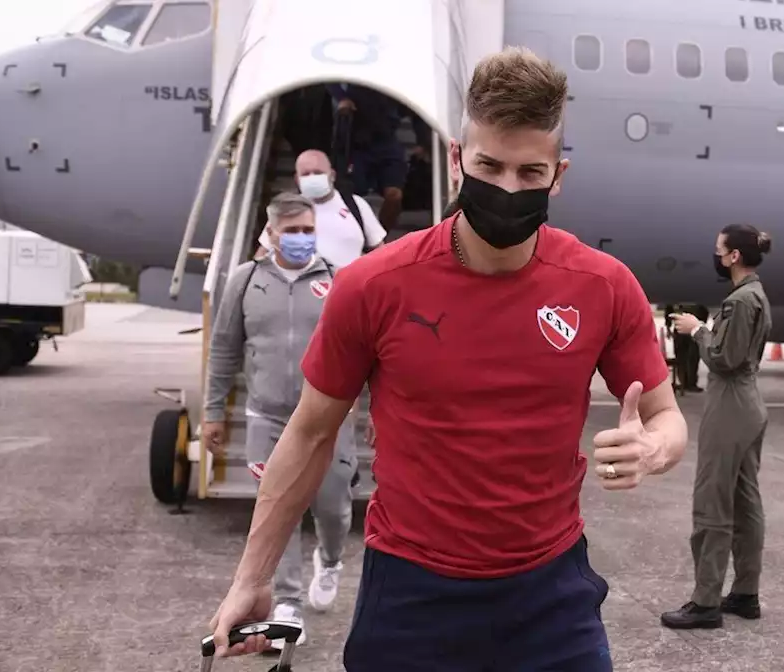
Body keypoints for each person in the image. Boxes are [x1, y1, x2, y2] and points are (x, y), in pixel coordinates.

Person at [207, 46, 690, 670]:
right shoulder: (375, 286)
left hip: (550, 594)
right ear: (457, 160)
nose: (507, 189)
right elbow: (308, 433)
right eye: (489, 165)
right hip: (411, 593)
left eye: (530, 174)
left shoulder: (603, 285)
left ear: (558, 175)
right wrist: (252, 576)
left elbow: (667, 417)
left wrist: (655, 448)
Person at [200, 192, 357, 650]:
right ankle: (287, 603)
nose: (302, 239)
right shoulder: (246, 281)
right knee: (277, 507)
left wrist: (374, 413)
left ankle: (329, 560)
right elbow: (225, 348)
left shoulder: (337, 281)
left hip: (329, 418)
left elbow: (360, 353)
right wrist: (213, 411)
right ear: (270, 235)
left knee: (331, 506)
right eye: (292, 231)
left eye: (308, 230)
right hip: (267, 420)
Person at [662, 224, 775, 630]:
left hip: (730, 403)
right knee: (745, 501)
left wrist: (697, 330)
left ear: (733, 257)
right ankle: (745, 593)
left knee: (712, 501)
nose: (715, 255)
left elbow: (724, 359)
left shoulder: (740, 301)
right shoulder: (756, 294)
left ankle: (705, 601)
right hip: (748, 403)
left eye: (718, 250)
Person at [257, 149, 387, 270]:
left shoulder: (356, 205)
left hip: (349, 288)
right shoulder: (286, 209)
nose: (312, 177)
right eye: (306, 174)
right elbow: (262, 253)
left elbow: (380, 250)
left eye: (318, 173)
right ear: (297, 179)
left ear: (332, 175)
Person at [329, 83, 409, 232]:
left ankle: (381, 236)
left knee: (395, 195)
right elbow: (330, 78)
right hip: (355, 142)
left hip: (387, 141)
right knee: (349, 194)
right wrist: (342, 97)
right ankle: (352, 232)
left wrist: (425, 143)